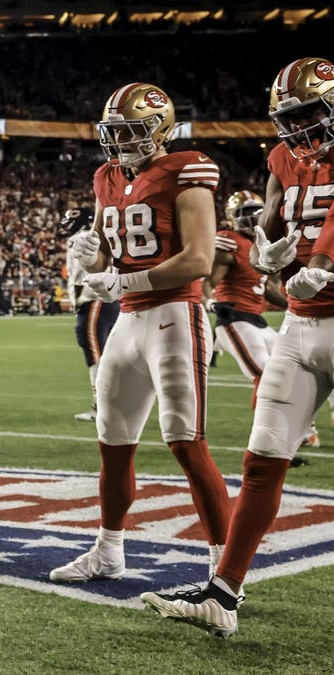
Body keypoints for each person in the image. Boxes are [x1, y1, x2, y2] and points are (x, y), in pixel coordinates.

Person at [141, 57, 334, 637]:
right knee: (261, 462)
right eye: (289, 118)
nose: (298, 130)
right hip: (301, 324)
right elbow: (274, 213)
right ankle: (222, 597)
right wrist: (270, 245)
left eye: (308, 115)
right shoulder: (282, 157)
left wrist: (321, 262)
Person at [50, 83, 231, 583]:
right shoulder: (105, 176)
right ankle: (109, 551)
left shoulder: (186, 169)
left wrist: (121, 278)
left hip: (176, 315)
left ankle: (225, 568)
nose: (122, 141)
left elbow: (198, 259)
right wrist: (94, 258)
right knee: (112, 442)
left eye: (132, 131)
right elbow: (112, 258)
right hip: (127, 321)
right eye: (115, 131)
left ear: (161, 130)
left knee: (185, 442)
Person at [63, 206, 120, 422]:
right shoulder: (98, 236)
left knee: (96, 356)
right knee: (103, 355)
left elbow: (78, 278)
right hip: (108, 299)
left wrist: (77, 302)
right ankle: (109, 405)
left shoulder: (80, 239)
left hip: (94, 300)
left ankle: (101, 408)